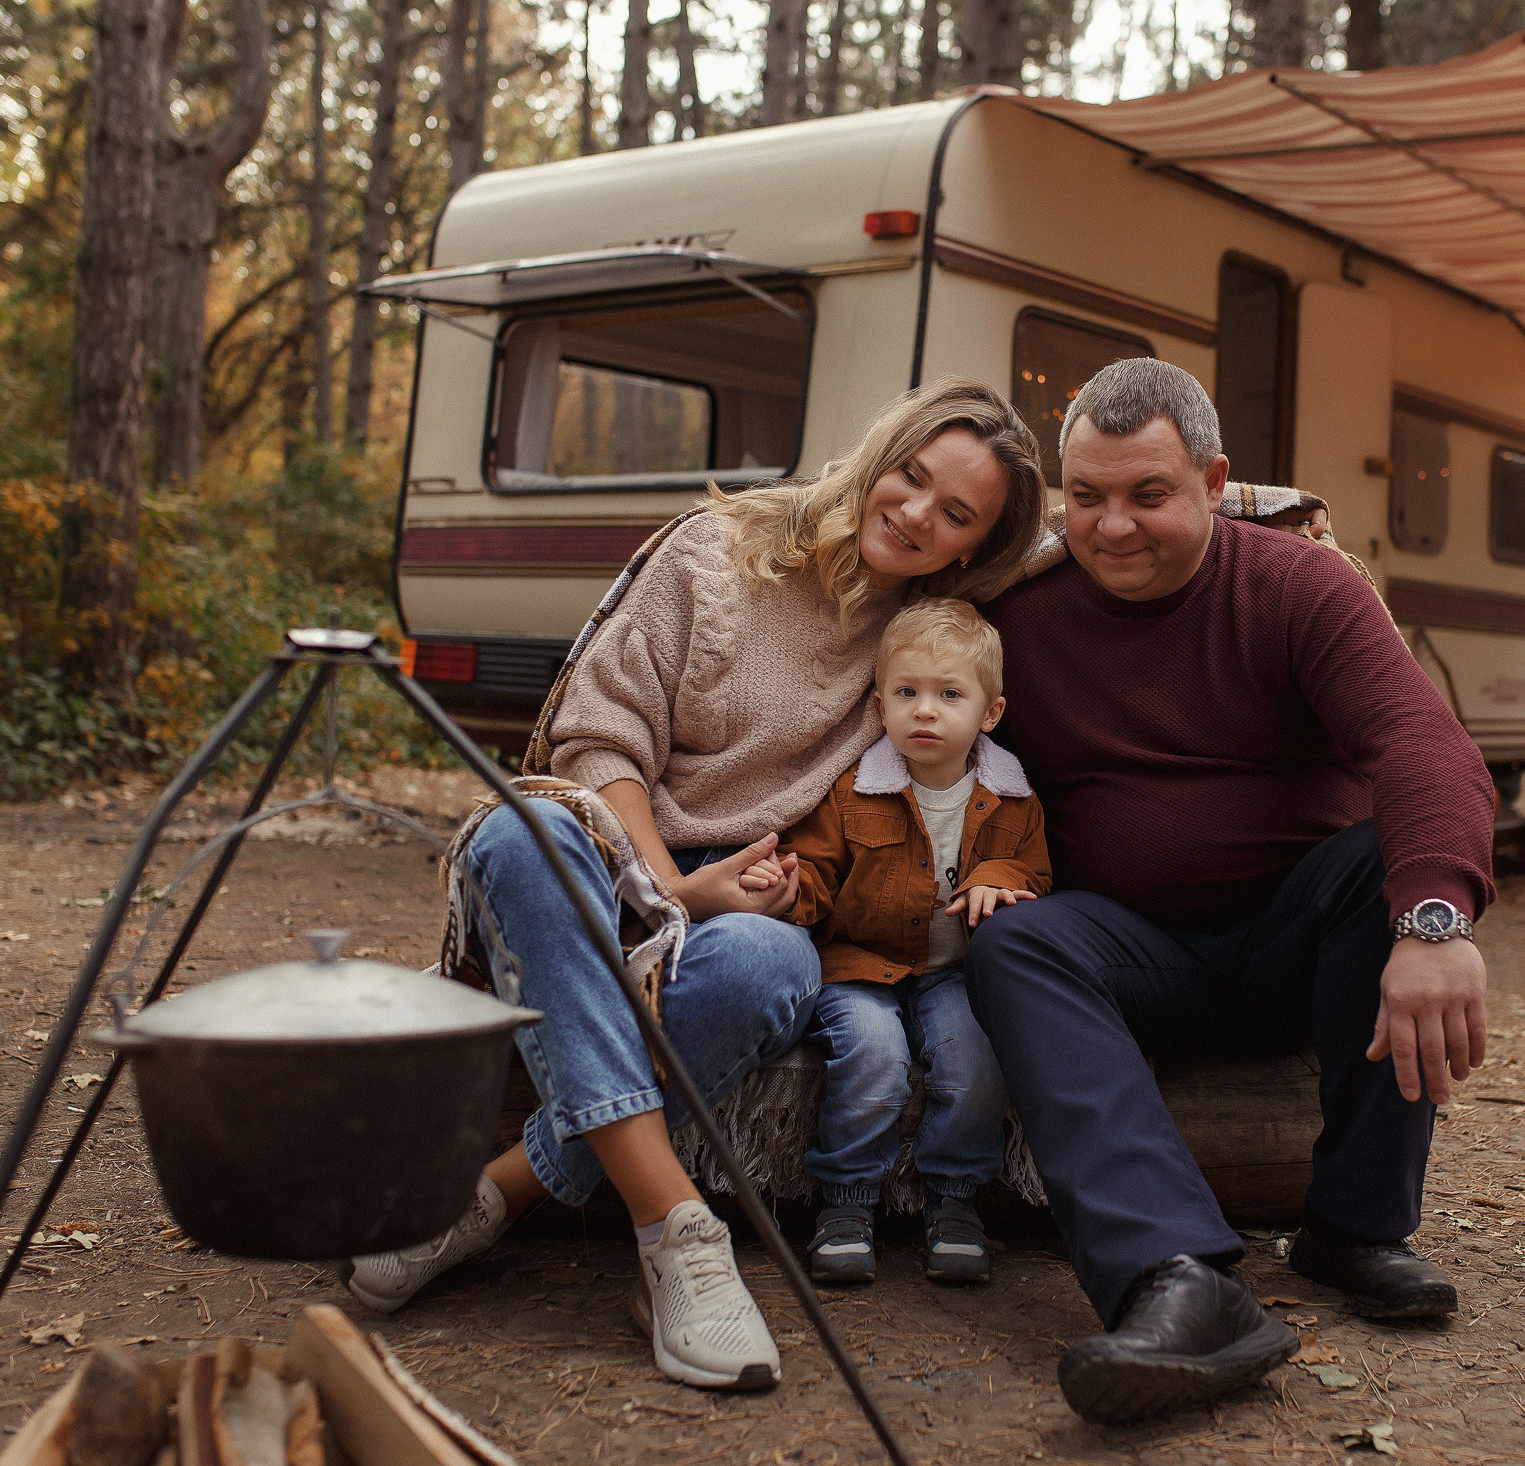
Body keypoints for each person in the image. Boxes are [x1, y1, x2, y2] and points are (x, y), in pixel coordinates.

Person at [343, 378, 1048, 1396]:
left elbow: (1074, 537)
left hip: (735, 916)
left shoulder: (916, 649)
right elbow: (599, 736)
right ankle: (680, 1230)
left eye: (956, 516)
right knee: (522, 831)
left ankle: (488, 1193)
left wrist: (1252, 508)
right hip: (609, 869)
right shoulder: (714, 551)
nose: (915, 514)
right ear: (879, 453)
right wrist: (670, 889)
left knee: (776, 962)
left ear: (969, 553)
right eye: (911, 477)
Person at [969, 359, 1495, 1424]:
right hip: (1131, 945)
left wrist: (1436, 918)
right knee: (1015, 941)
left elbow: (1422, 744)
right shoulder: (1016, 620)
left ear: (1212, 482)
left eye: (1147, 495)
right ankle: (1176, 1274)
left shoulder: (1299, 587)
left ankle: (1354, 1226)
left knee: (1372, 862)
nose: (1111, 526)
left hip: (1294, 932)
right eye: (1087, 496)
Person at [774, 598, 1051, 1287]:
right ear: (880, 705)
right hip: (860, 964)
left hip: (956, 969)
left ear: (989, 713)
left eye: (948, 694)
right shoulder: (851, 792)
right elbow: (816, 874)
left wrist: (998, 876)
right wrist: (783, 888)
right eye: (907, 693)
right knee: (872, 1056)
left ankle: (954, 1199)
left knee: (976, 1060)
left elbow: (1036, 875)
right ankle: (846, 1203)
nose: (925, 711)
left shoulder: (1013, 799)